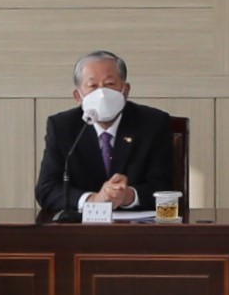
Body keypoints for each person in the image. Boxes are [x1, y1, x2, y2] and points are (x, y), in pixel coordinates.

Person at [35, 50, 179, 220]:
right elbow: (47, 189)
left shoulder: (153, 123)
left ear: (125, 90)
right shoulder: (63, 127)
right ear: (78, 96)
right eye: (93, 86)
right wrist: (93, 199)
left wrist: (128, 196)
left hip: (137, 230)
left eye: (110, 84)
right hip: (79, 231)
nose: (102, 94)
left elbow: (164, 187)